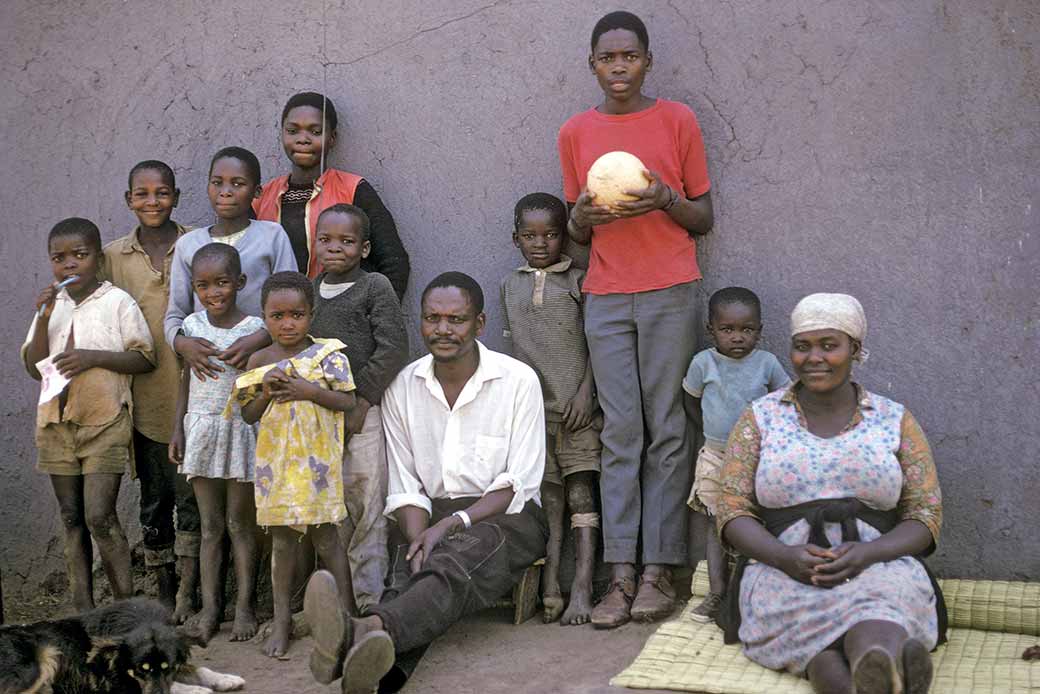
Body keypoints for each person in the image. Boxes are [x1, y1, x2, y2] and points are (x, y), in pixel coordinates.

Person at [303, 272, 547, 693]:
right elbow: (405, 482)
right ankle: (377, 673)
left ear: (480, 324)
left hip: (506, 518)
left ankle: (362, 628)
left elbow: (517, 484)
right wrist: (420, 537)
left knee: (447, 564)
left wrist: (447, 528)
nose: (443, 330)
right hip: (428, 514)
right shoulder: (403, 386)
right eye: (432, 318)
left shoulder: (518, 380)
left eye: (457, 320)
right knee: (410, 575)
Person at [558, 10, 714, 627]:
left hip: (671, 288)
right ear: (592, 65)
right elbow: (576, 237)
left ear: (647, 61)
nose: (618, 67)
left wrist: (664, 199)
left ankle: (660, 571)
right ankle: (619, 574)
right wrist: (580, 221)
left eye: (629, 56)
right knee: (621, 431)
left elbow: (703, 218)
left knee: (669, 430)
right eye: (606, 58)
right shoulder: (575, 131)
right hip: (606, 295)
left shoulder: (677, 120)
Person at [716, 293, 944, 694]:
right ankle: (883, 676)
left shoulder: (894, 418)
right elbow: (731, 508)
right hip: (784, 568)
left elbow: (925, 515)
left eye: (829, 345)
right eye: (802, 347)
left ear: (855, 349)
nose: (814, 358)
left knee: (881, 600)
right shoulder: (761, 417)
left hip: (879, 562)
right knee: (800, 614)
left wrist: (870, 554)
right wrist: (783, 557)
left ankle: (874, 662)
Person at [22, 218, 155, 610]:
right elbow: (33, 367)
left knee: (100, 516)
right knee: (70, 517)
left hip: (105, 423)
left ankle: (125, 608)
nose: (69, 266)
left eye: (80, 256)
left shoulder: (117, 302)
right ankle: (82, 610)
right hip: (55, 426)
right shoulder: (52, 307)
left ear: (98, 258)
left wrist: (91, 358)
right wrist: (45, 317)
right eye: (59, 259)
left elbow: (145, 358)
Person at [234, 271, 358, 658]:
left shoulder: (328, 356)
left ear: (312, 315)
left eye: (297, 315)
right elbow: (249, 415)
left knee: (327, 539)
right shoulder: (259, 360)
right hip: (277, 467)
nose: (287, 324)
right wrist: (266, 391)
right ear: (264, 316)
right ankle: (283, 620)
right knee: (283, 542)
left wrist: (309, 391)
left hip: (317, 464)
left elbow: (348, 403)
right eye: (277, 316)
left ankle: (351, 617)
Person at [102, 160, 201, 619]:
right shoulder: (110, 257)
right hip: (144, 403)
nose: (152, 202)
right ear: (128, 200)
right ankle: (161, 588)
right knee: (156, 499)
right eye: (141, 194)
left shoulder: (198, 243)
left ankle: (191, 592)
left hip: (197, 396)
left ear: (176, 197)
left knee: (193, 497)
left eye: (161, 193)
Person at [500, 193, 600, 626]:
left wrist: (586, 394)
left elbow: (600, 343)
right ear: (516, 238)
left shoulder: (579, 280)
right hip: (534, 415)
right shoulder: (510, 285)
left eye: (551, 234)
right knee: (550, 497)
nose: (540, 244)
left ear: (566, 236)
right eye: (530, 235)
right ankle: (550, 585)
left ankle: (582, 585)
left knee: (581, 493)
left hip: (577, 411)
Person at [308, 204, 409, 611]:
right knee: (332, 508)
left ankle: (369, 599)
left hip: (364, 414)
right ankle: (338, 600)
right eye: (326, 240)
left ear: (364, 248)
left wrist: (362, 400)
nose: (335, 249)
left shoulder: (375, 287)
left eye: (347, 242)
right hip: (319, 418)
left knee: (368, 502)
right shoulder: (309, 291)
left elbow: (392, 349)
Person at [168, 244, 264, 642]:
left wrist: (261, 340)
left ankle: (243, 607)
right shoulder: (191, 327)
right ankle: (209, 609)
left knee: (240, 524)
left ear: (240, 282)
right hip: (203, 431)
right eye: (203, 285)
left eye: (222, 283)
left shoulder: (256, 329)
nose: (213, 293)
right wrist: (177, 429)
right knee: (210, 527)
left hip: (240, 430)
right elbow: (186, 382)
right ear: (194, 287)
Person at [682, 287, 790, 623]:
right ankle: (717, 593)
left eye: (747, 330)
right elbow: (690, 401)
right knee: (716, 522)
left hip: (758, 457)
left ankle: (749, 594)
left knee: (754, 522)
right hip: (715, 454)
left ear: (760, 329)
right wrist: (712, 432)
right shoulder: (704, 363)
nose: (738, 338)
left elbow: (785, 401)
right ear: (710, 329)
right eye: (728, 330)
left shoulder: (767, 363)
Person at [254, 92, 410, 299]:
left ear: (332, 138)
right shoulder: (261, 197)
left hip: (338, 324)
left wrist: (372, 318)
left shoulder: (353, 189)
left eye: (315, 131)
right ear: (282, 134)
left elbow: (393, 261)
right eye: (292, 131)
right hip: (277, 324)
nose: (303, 139)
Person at [164, 146, 297, 382]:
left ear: (256, 192)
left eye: (237, 184)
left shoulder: (272, 236)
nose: (225, 192)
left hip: (262, 362)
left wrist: (260, 337)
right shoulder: (188, 245)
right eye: (217, 183)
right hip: (208, 370)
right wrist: (182, 343)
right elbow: (176, 313)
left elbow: (291, 302)